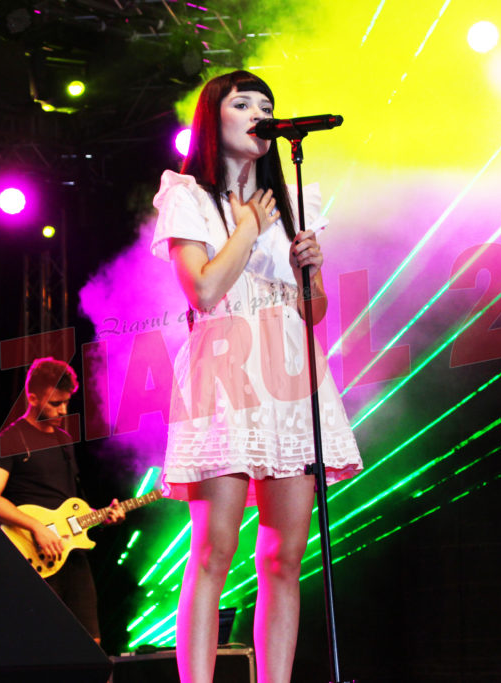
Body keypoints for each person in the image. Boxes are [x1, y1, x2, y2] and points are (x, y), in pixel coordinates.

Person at [150, 70, 362, 683]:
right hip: (224, 368)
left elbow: (311, 312)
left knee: (284, 557)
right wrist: (247, 227)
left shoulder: (293, 201)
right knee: (214, 549)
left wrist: (311, 273)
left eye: (265, 104)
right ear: (213, 119)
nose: (258, 113)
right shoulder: (188, 196)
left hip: (290, 373)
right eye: (242, 103)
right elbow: (204, 290)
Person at [0, 357, 124, 644]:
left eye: (66, 402)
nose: (63, 410)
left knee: (90, 644)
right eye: (55, 404)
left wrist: (102, 516)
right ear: (32, 398)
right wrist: (37, 528)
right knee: (42, 643)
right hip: (34, 554)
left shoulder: (64, 440)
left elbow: (69, 504)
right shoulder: (11, 439)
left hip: (72, 553)